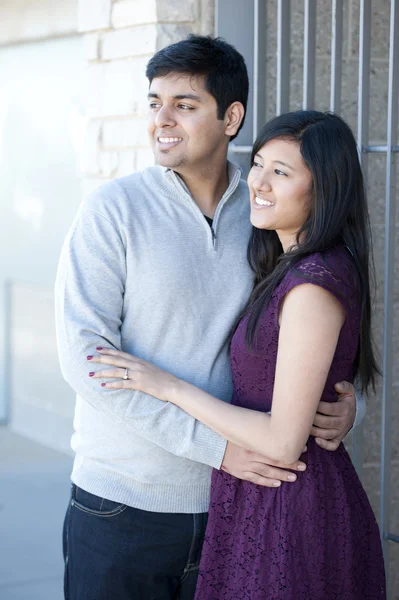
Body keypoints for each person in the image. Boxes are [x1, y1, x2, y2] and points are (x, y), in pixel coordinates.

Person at [55, 36, 364, 600]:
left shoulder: (271, 207)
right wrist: (216, 449)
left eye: (185, 104)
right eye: (154, 103)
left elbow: (307, 335)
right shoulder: (113, 210)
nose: (162, 121)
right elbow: (86, 360)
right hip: (124, 504)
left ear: (231, 117)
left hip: (241, 506)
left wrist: (346, 408)